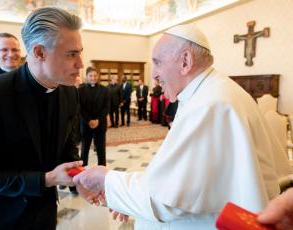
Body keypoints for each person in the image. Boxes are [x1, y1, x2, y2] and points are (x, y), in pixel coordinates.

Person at [73, 24, 293, 229]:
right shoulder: (213, 91)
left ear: (185, 61)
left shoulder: (210, 104)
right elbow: (180, 177)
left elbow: (167, 199)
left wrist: (108, 181)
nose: (154, 74)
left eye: (158, 62)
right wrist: (127, 198)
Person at [0, 7, 84, 230]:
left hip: (42, 214)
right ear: (39, 52)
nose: (80, 63)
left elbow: (67, 148)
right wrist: (47, 179)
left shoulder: (69, 92)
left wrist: (80, 180)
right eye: (71, 54)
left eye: (79, 52)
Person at [78, 67, 110, 166]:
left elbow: (107, 107)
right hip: (86, 124)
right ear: (86, 76)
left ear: (98, 76)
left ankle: (102, 170)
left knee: (101, 150)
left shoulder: (105, 90)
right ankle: (82, 170)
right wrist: (89, 120)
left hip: (100, 124)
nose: (93, 78)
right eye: (91, 75)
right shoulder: (80, 90)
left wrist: (97, 120)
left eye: (95, 75)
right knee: (84, 149)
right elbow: (80, 107)